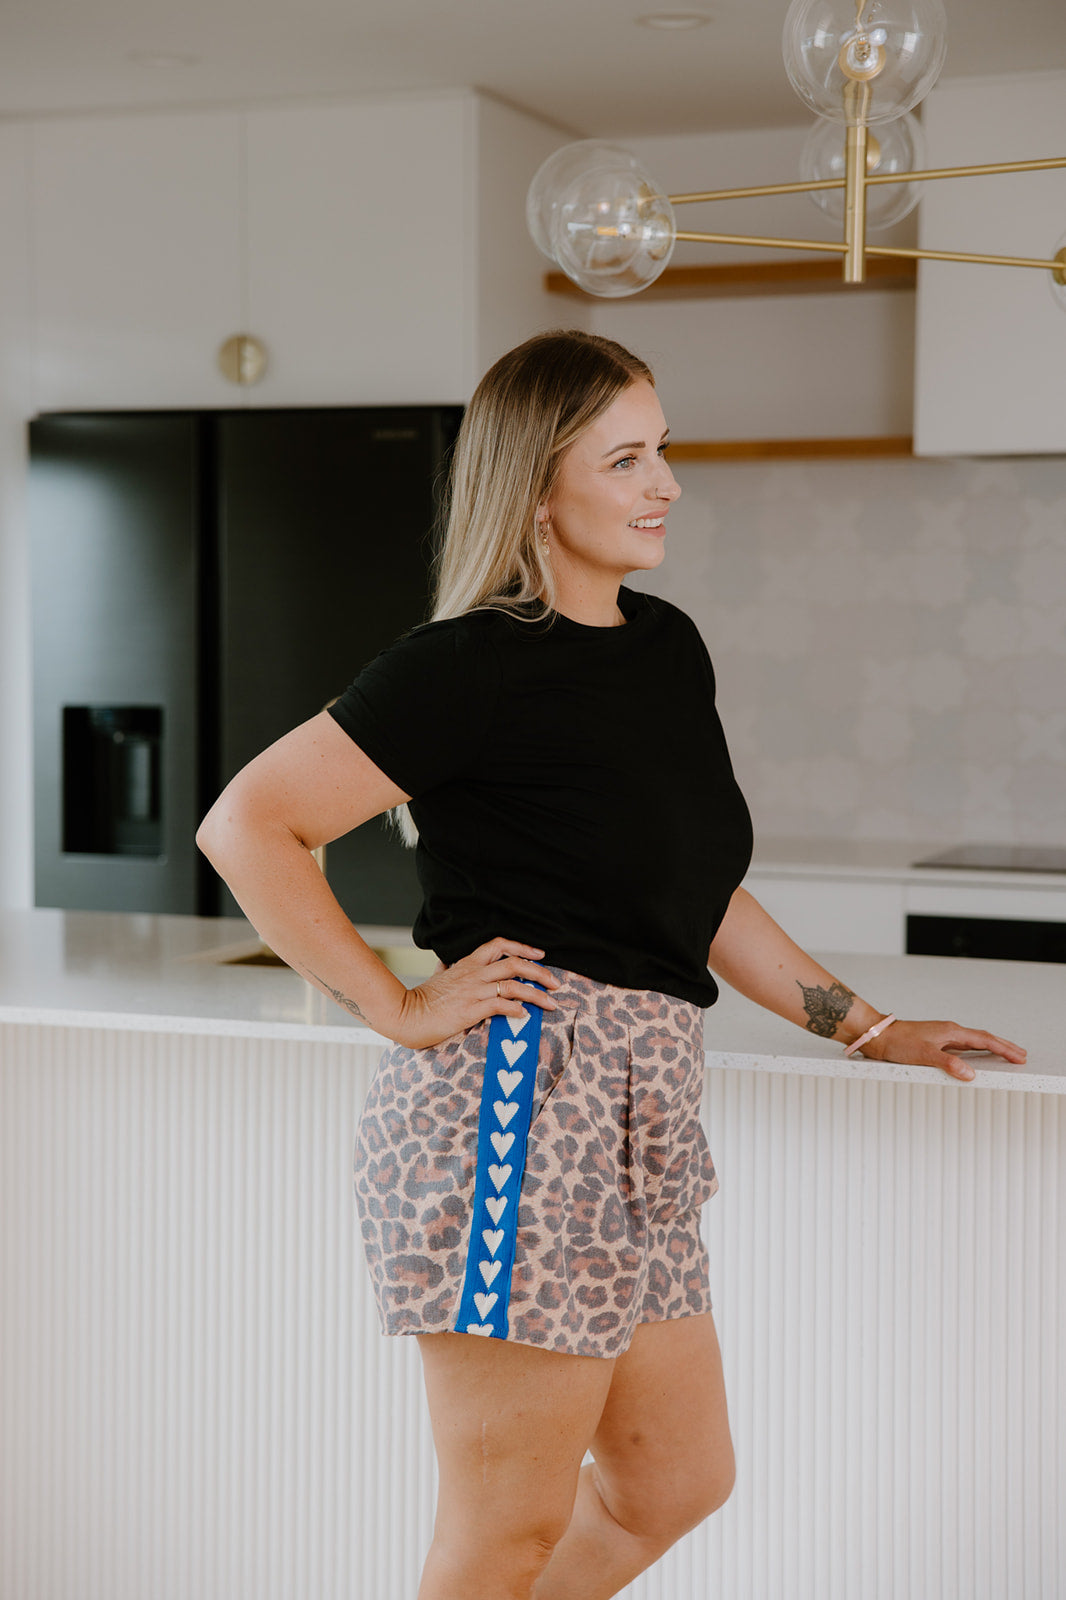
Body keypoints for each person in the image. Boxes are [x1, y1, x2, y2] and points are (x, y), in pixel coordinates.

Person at [196, 329, 1026, 1600]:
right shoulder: (464, 665)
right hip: (520, 1111)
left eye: (662, 451)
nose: (665, 484)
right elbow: (248, 823)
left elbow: (693, 890)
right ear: (537, 488)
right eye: (625, 459)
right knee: (504, 1530)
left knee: (672, 1480)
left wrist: (870, 1025)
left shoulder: (663, 647)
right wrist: (394, 1003)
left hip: (642, 1112)